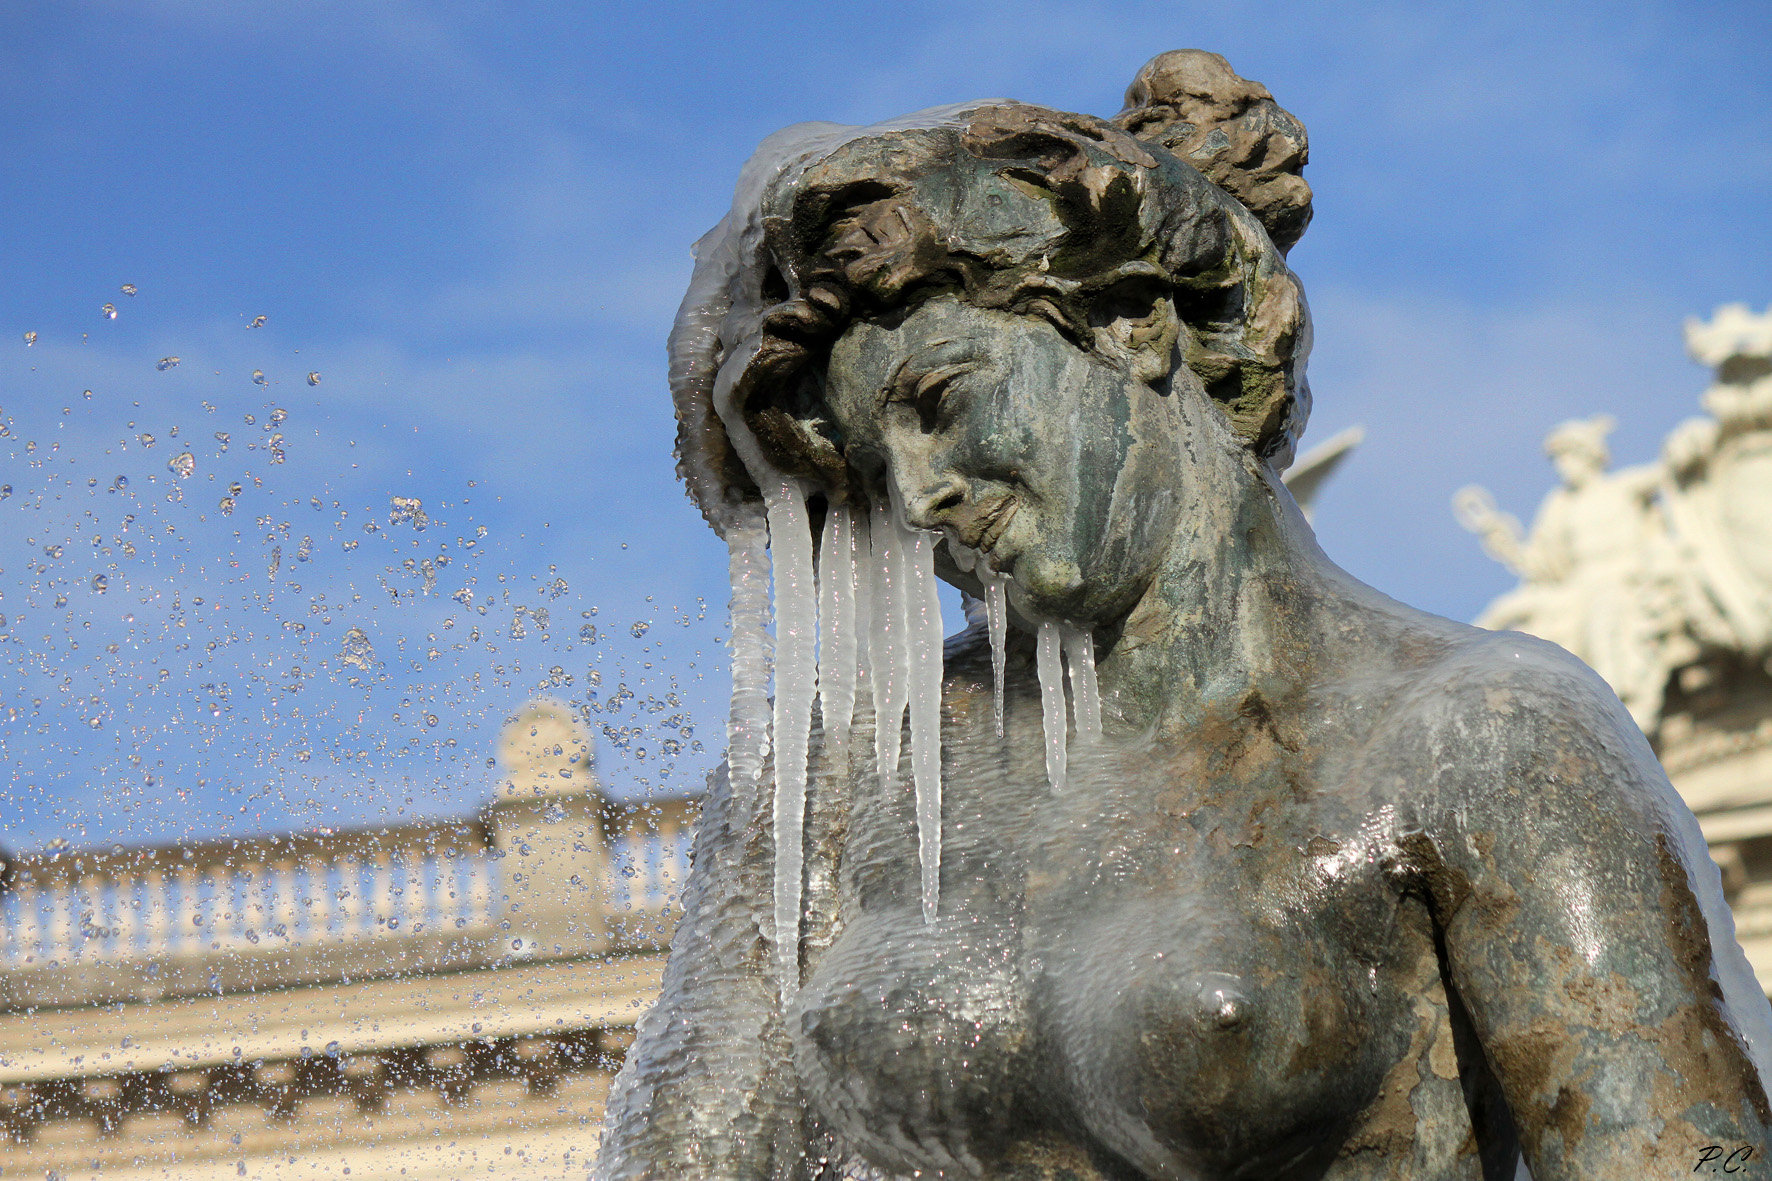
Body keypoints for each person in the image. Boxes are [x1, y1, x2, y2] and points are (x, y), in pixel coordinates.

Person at [598, 50, 1772, 1181]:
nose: (919, 494)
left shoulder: (1483, 736)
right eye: (875, 468)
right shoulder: (839, 783)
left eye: (942, 401)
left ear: (1131, 324)